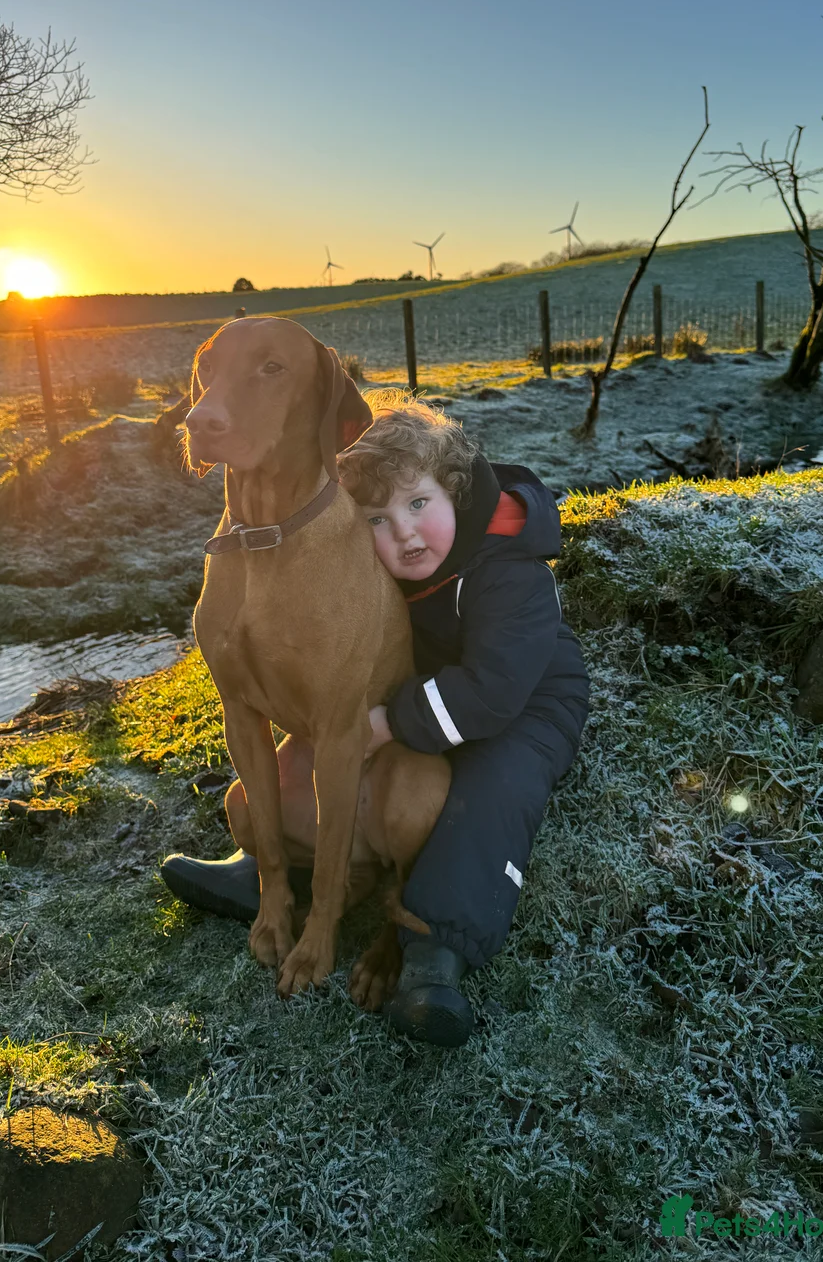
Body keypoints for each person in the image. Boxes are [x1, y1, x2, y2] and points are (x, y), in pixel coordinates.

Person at [161, 393, 590, 1047]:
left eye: (417, 506)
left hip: (525, 705)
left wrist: (390, 724)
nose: (405, 534)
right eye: (378, 521)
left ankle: (431, 951)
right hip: (427, 690)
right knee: (321, 760)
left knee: (487, 791)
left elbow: (490, 692)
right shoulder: (374, 562)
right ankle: (272, 868)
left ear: (453, 490)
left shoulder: (506, 566)